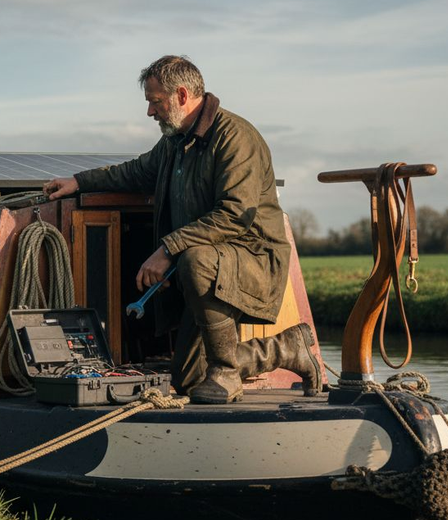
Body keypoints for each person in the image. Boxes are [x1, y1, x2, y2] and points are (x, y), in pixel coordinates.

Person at [43, 55, 321, 404]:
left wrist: (167, 248)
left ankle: (226, 371)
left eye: (154, 101)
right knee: (189, 377)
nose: (149, 112)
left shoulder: (236, 138)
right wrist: (78, 182)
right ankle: (288, 348)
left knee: (195, 259)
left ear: (182, 95)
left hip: (253, 261)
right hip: (214, 264)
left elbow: (235, 214)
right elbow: (133, 172)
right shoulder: (176, 142)